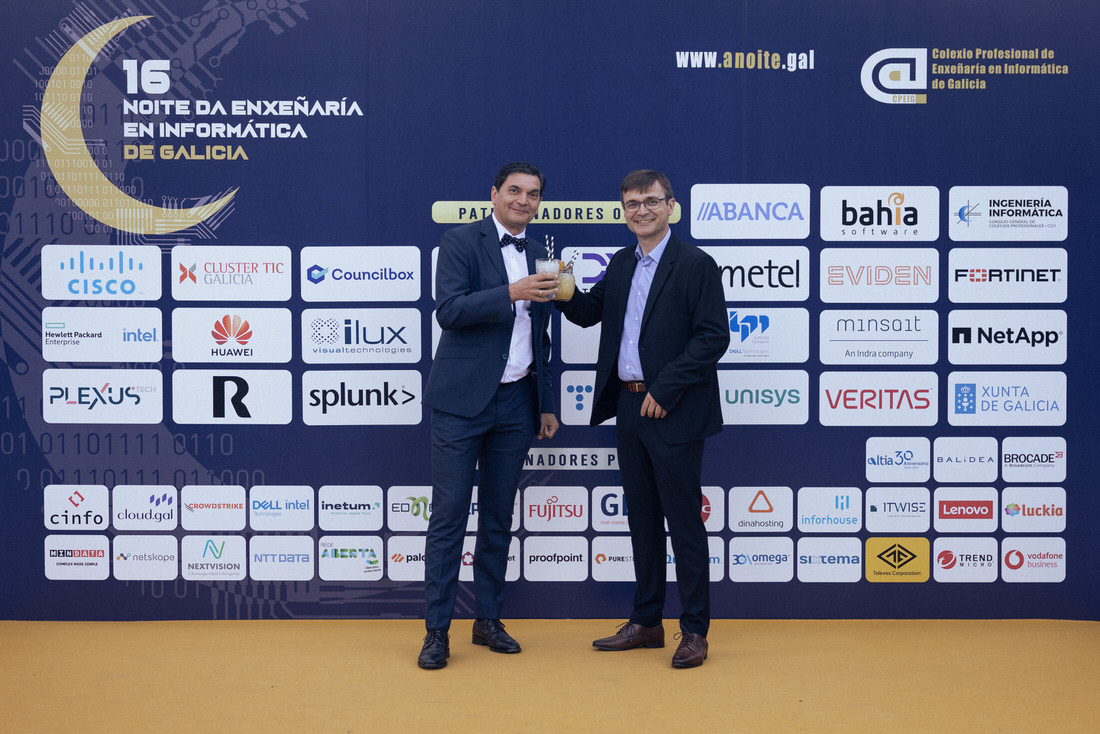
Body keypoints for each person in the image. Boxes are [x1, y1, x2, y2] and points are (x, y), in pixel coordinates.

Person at [556, 169, 728, 668]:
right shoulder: (621, 263)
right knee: (642, 521)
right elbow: (588, 312)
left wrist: (666, 388)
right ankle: (647, 621)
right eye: (632, 204)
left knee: (684, 524)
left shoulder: (696, 264)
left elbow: (713, 336)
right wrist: (562, 287)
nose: (642, 211)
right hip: (629, 408)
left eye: (651, 201)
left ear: (670, 206)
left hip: (674, 409)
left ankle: (694, 631)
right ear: (624, 211)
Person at [418, 162, 561, 669]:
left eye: (533, 194)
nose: (523, 200)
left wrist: (546, 402)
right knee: (449, 517)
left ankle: (488, 620)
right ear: (494, 194)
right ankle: (437, 632)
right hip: (461, 403)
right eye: (514, 191)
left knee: (499, 517)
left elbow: (542, 335)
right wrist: (510, 293)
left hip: (518, 403)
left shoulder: (541, 252)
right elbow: (449, 311)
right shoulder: (461, 241)